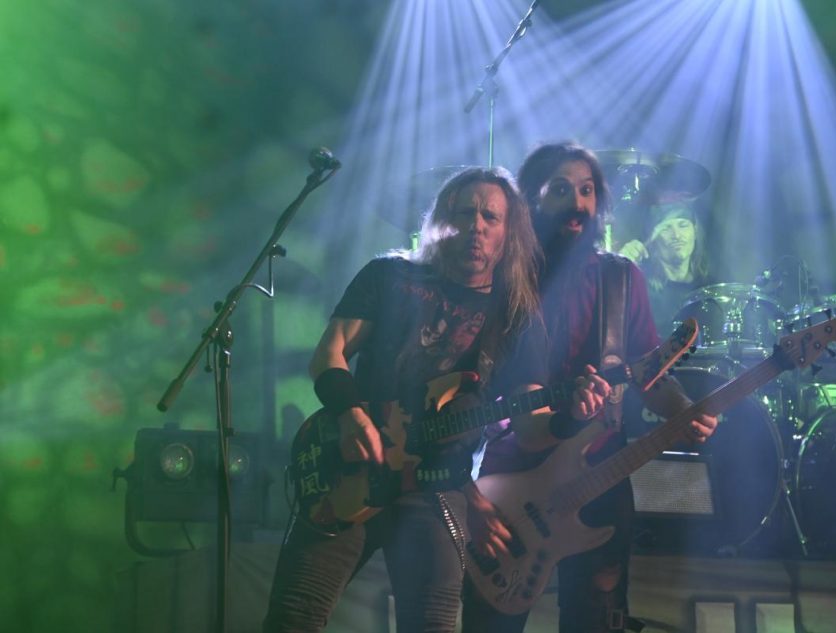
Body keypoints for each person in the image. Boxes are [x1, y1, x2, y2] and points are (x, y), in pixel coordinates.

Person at [262, 166, 607, 632]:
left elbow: (531, 427)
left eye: (490, 217)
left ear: (509, 233)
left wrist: (572, 418)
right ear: (442, 220)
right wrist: (349, 414)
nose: (476, 226)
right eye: (465, 213)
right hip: (352, 468)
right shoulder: (389, 275)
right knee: (293, 617)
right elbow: (329, 354)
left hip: (436, 489)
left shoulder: (516, 315)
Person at [461, 143, 719, 633]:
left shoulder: (621, 279)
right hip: (512, 481)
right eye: (561, 190)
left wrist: (683, 408)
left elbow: (649, 374)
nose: (578, 203)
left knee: (596, 619)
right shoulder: (504, 279)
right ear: (531, 200)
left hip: (598, 477)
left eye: (586, 191)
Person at [617, 199, 711, 334]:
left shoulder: (709, 289)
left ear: (695, 231)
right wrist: (618, 269)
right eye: (666, 228)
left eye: (683, 225)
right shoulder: (639, 289)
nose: (676, 235)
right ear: (653, 238)